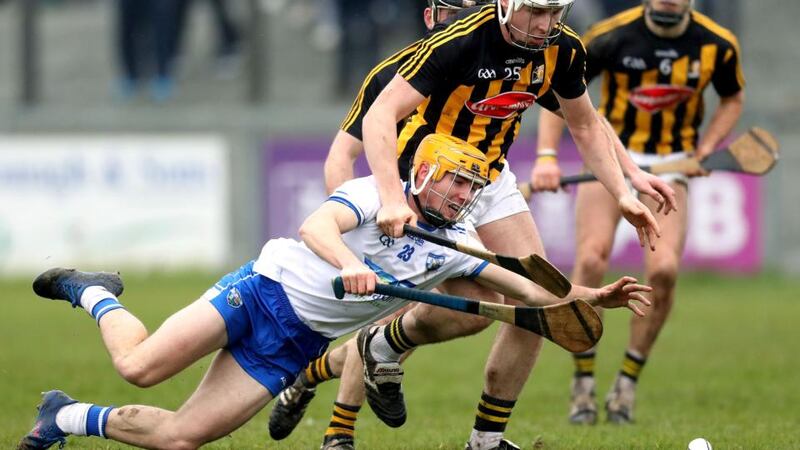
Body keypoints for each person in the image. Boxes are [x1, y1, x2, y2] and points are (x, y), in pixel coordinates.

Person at [16, 134, 651, 450]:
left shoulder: (457, 246)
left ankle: (64, 415)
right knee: (139, 367)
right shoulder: (382, 195)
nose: (462, 195)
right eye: (454, 182)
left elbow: (531, 292)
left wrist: (596, 297)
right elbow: (315, 225)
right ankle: (95, 292)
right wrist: (351, 263)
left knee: (181, 439)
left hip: (294, 343)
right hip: (259, 293)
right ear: (424, 171)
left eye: (470, 188)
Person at [356, 0, 681, 449]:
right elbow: (379, 115)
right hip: (431, 180)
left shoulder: (563, 49)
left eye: (554, 13)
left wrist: (623, 193)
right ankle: (377, 356)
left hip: (489, 178)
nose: (545, 24)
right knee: (475, 310)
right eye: (535, 12)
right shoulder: (462, 40)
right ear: (506, 4)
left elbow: (585, 125)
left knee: (541, 300)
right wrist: (392, 198)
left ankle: (485, 442)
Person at [531, 0, 744, 425]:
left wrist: (705, 148)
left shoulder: (718, 45)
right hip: (609, 164)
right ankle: (583, 383)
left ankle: (626, 384)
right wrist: (547, 155)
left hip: (670, 171)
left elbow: (732, 99)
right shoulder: (609, 36)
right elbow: (561, 91)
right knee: (591, 258)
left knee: (663, 271)